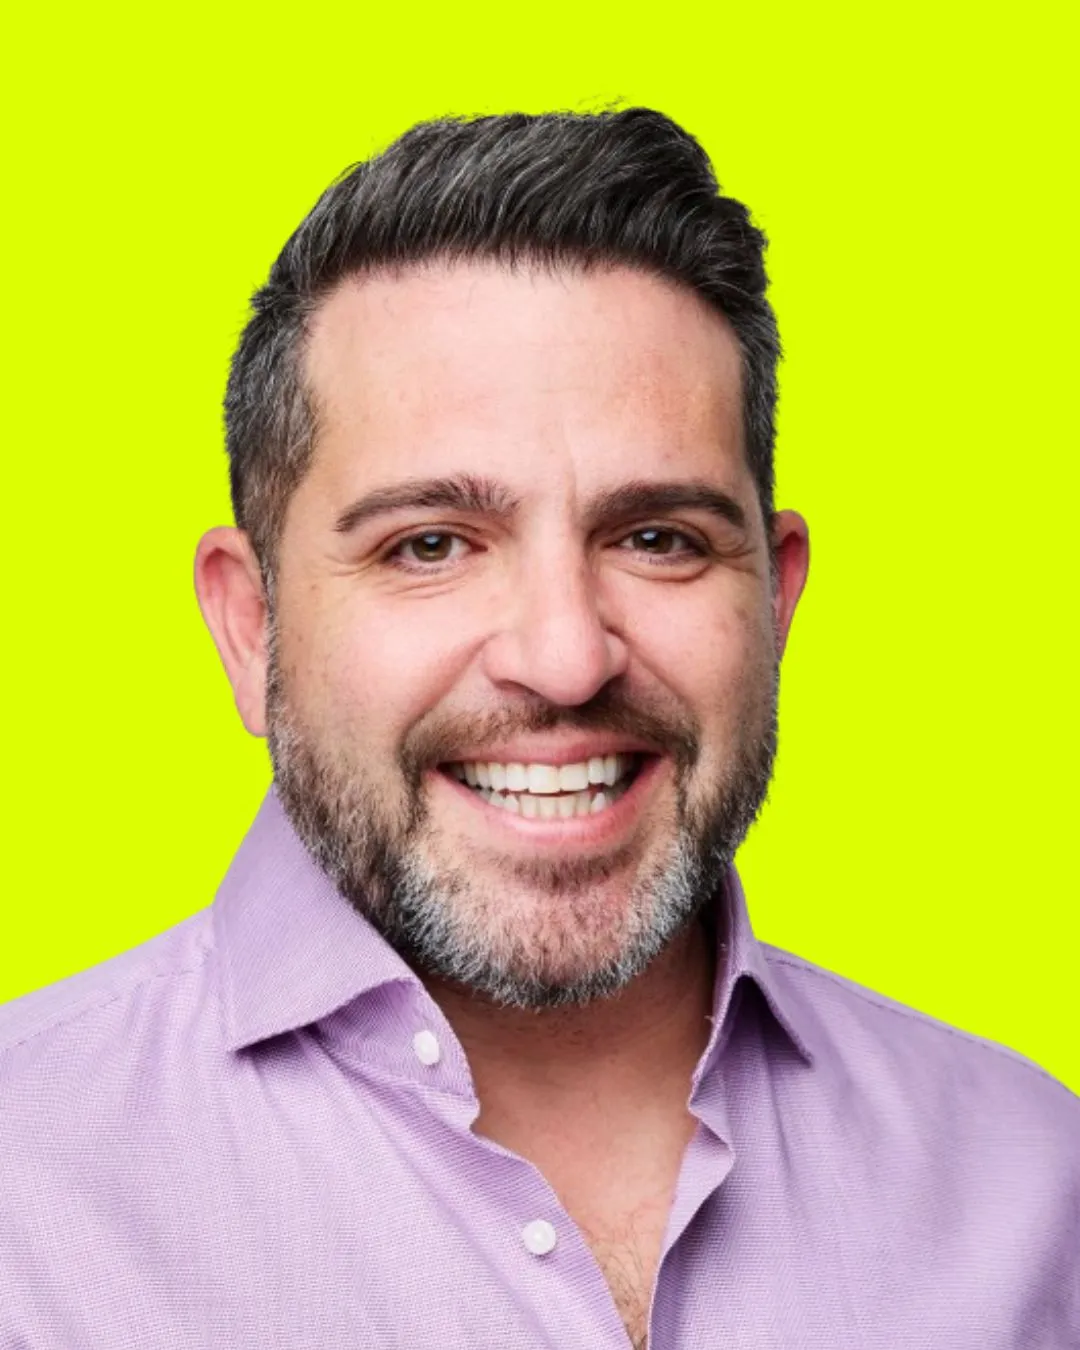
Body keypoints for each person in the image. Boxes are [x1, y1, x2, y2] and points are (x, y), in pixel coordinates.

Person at [1, 108, 1076, 1350]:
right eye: (431, 545)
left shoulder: (1036, 1181)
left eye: (658, 538)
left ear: (775, 603)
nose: (565, 659)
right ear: (251, 626)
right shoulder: (27, 1196)